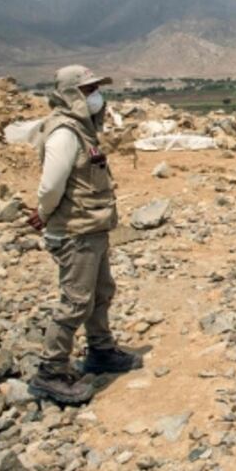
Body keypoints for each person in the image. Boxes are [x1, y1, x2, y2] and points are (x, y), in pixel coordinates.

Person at [26, 65, 141, 404]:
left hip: (93, 228)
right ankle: (50, 372)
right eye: (88, 90)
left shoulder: (83, 130)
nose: (96, 97)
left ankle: (101, 351)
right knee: (75, 302)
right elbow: (51, 185)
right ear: (70, 94)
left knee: (101, 292)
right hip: (75, 232)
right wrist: (44, 213)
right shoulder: (65, 133)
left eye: (95, 90)